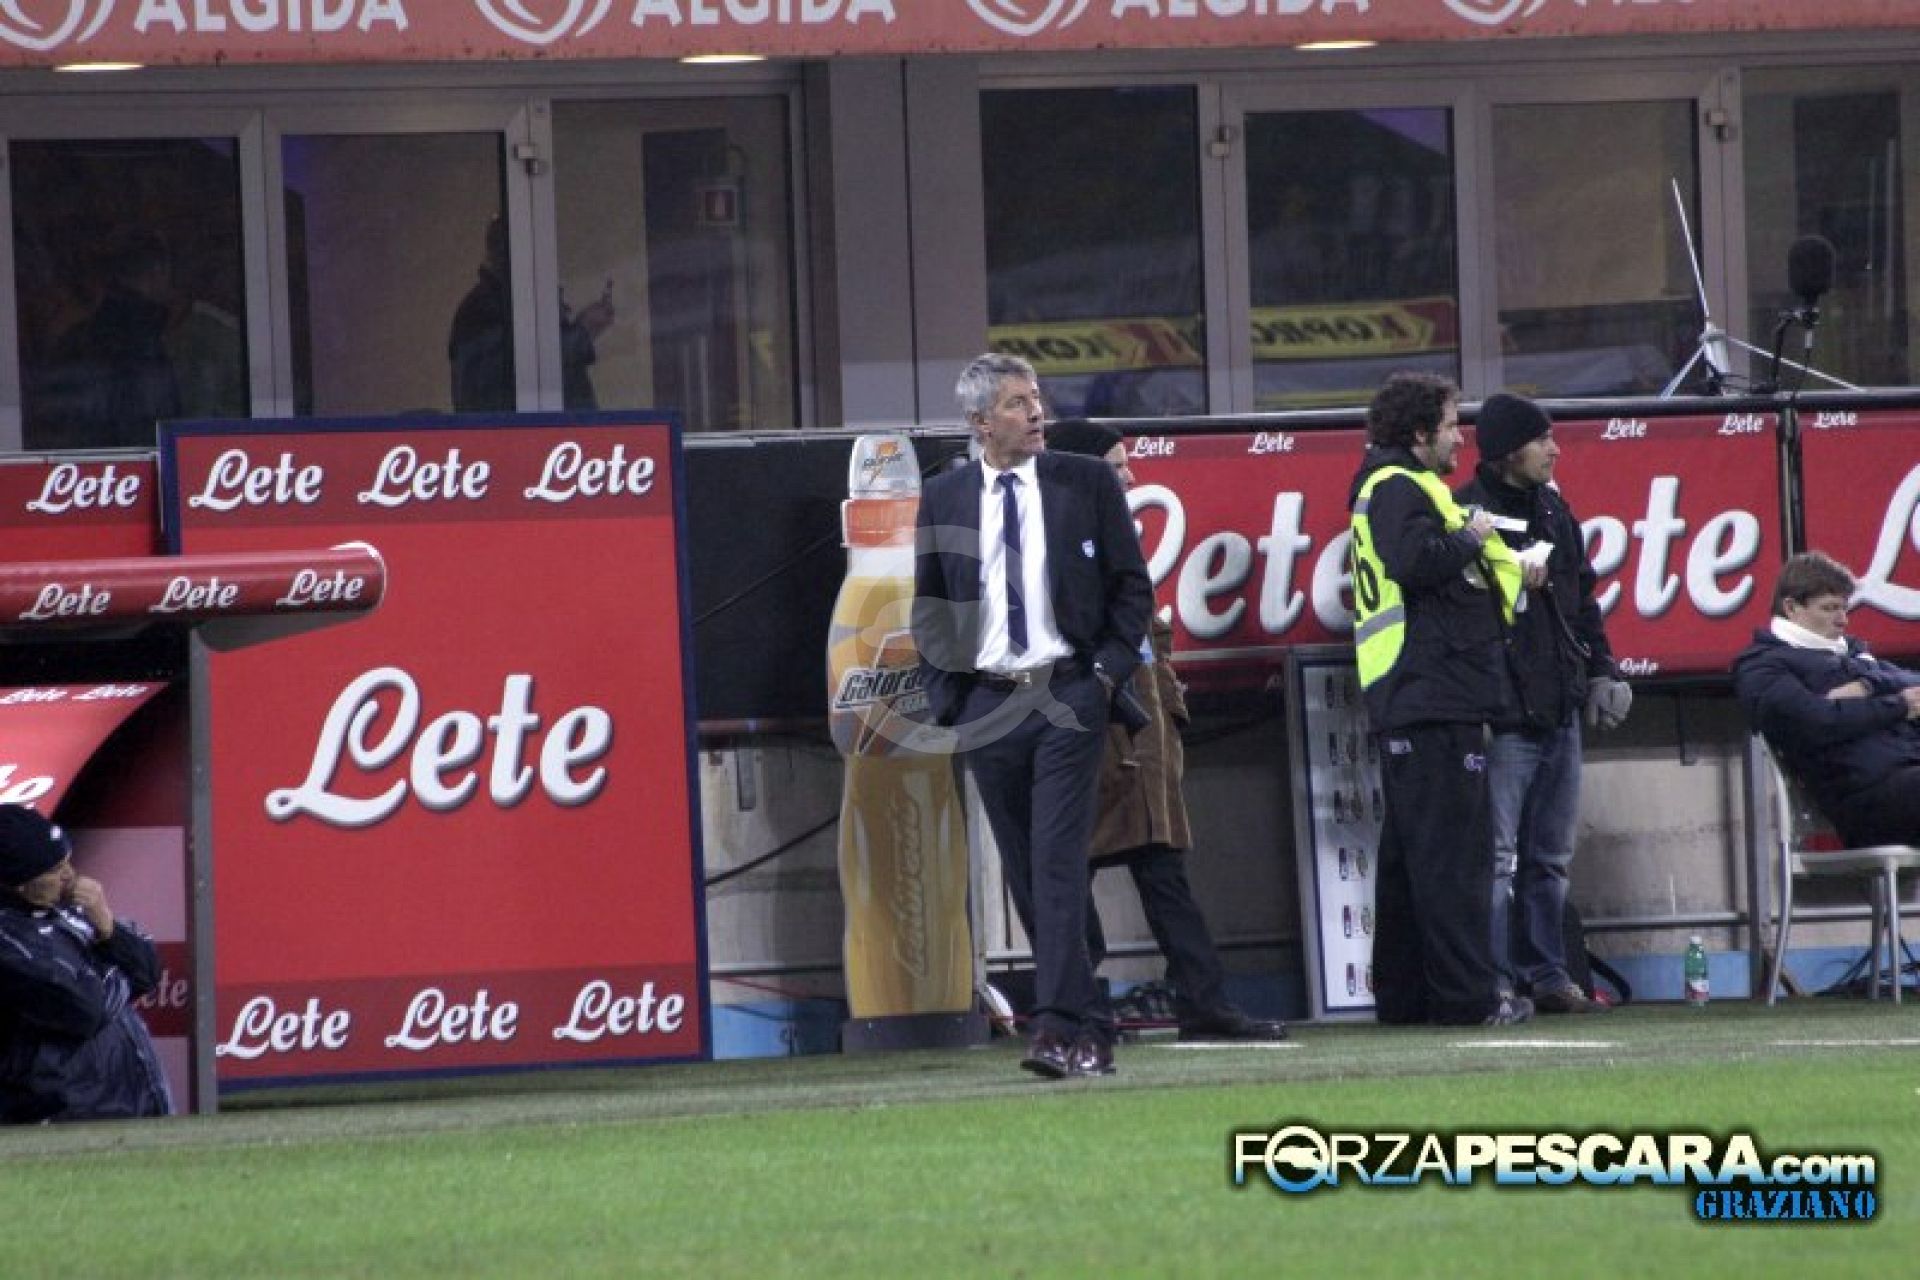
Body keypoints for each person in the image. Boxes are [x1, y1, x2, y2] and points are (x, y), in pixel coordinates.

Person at [913, 354, 1153, 1079]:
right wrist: (950, 702)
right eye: (1018, 403)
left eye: (1037, 398)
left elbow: (1131, 587)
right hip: (987, 704)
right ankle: (1094, 1024)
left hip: (1068, 696)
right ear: (981, 422)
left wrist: (1104, 676)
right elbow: (930, 605)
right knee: (1026, 873)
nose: (1037, 413)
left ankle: (1051, 1028)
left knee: (1054, 861)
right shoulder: (945, 496)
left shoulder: (1084, 482)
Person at [1043, 418, 1287, 1043]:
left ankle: (1199, 1004)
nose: (1131, 477)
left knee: (1160, 876)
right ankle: (1078, 1011)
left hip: (1142, 745)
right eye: (1116, 466)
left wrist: (1165, 710)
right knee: (1071, 879)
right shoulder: (1059, 547)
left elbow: (1148, 640)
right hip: (1096, 742)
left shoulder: (1110, 535)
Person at [1347, 371, 1529, 1026]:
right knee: (1454, 859)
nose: (1461, 439)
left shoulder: (1389, 483)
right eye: (1452, 425)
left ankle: (1405, 999)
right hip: (1429, 689)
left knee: (1410, 859)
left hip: (1413, 691)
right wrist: (1474, 538)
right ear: (1421, 433)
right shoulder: (1400, 485)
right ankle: (1467, 1000)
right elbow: (1415, 562)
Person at [1455, 394, 1631, 1015]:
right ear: (1508, 451)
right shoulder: (1466, 517)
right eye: (1542, 439)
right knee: (1497, 860)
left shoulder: (1555, 509)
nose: (1555, 449)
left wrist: (1603, 669)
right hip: (1504, 717)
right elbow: (1460, 621)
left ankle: (1549, 977)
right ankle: (1497, 983)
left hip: (1559, 708)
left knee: (1550, 858)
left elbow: (1583, 602)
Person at [1733, 551, 1920, 845]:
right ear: (1792, 608)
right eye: (1830, 608)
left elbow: (1912, 681)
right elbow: (1815, 721)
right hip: (1865, 798)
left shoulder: (1854, 654)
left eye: (1845, 608)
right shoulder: (1763, 667)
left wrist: (1867, 686)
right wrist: (1898, 706)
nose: (1843, 620)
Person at [0, 805, 171, 1123]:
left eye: (68, 860)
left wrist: (107, 928)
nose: (69, 876)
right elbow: (87, 1010)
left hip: (135, 1103)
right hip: (63, 1116)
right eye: (54, 870)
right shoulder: (9, 940)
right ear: (18, 883)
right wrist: (119, 971)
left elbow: (148, 973)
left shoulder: (70, 910)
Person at [448, 216, 614, 412]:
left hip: (563, 429)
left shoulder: (520, 302)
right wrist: (581, 334)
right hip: (526, 431)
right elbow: (512, 371)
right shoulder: (482, 308)